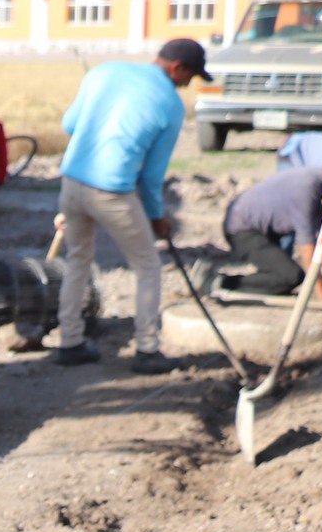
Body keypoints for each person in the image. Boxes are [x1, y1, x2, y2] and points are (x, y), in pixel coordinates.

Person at [49, 37, 208, 374]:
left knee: (78, 260)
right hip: (112, 191)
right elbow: (152, 175)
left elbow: (70, 125)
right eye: (189, 77)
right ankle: (147, 348)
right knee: (148, 265)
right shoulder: (170, 105)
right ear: (176, 68)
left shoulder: (103, 73)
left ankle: (69, 342)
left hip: (72, 182)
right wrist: (156, 217)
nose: (186, 85)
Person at [205, 166, 322, 297]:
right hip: (241, 230)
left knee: (283, 276)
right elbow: (307, 249)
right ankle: (220, 282)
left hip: (261, 227)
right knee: (291, 276)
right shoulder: (307, 195)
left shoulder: (321, 180)